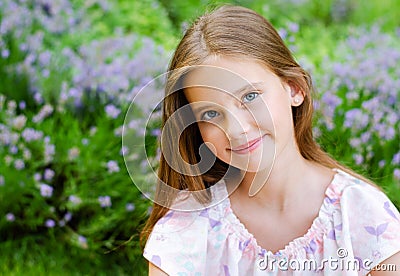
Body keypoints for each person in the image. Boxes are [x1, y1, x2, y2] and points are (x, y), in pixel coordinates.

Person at [140, 5, 400, 275]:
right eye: (211, 113)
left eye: (250, 96)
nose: (237, 129)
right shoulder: (188, 227)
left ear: (294, 88)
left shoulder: (362, 216)